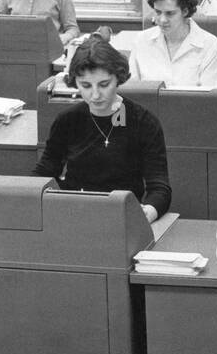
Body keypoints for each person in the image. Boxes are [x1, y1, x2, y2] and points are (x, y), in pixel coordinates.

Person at [34, 38, 170, 223]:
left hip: (123, 216)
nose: (95, 95)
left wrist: (148, 211)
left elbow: (159, 188)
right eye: (86, 86)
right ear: (75, 83)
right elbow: (44, 172)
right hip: (74, 214)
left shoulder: (144, 122)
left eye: (104, 84)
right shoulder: (67, 120)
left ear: (118, 78)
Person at [128, 0, 217, 88]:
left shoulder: (209, 44)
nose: (162, 20)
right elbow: (131, 90)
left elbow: (210, 97)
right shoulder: (141, 40)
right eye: (158, 12)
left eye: (170, 14)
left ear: (185, 11)